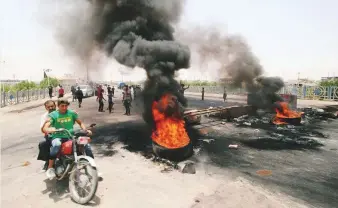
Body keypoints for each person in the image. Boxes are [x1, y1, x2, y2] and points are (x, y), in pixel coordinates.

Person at [42, 99, 94, 180]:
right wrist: (49, 129)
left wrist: (85, 130)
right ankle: (50, 168)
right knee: (56, 144)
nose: (64, 107)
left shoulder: (71, 113)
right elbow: (46, 127)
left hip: (70, 136)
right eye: (62, 106)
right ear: (58, 106)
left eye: (66, 106)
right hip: (58, 136)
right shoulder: (53, 115)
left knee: (85, 143)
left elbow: (80, 123)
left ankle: (92, 167)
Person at [38, 100, 56, 171]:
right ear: (46, 108)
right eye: (49, 107)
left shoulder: (61, 113)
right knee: (43, 145)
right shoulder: (44, 116)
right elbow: (42, 128)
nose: (51, 108)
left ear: (55, 106)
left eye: (52, 106)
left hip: (62, 133)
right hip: (50, 134)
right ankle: (47, 162)